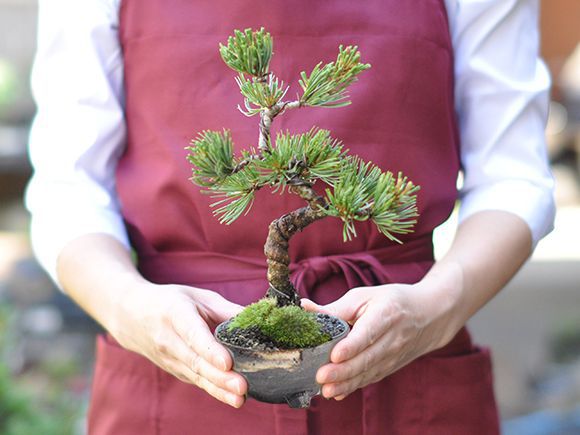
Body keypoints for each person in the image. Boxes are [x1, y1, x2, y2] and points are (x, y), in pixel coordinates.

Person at [26, 0, 555, 433]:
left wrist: (439, 306)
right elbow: (67, 185)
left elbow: (514, 176)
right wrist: (127, 305)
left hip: (404, 347)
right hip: (179, 359)